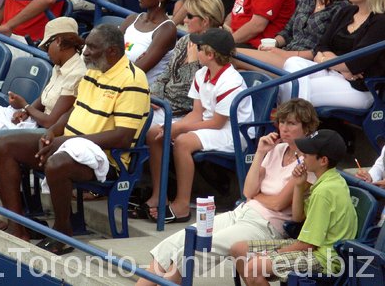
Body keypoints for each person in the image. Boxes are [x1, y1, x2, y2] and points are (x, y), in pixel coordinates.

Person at [0, 24, 150, 251]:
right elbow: (72, 111)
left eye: (92, 48)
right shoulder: (94, 69)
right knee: (3, 145)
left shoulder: (133, 80)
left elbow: (123, 137)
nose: (85, 52)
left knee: (57, 164)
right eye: (86, 45)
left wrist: (64, 142)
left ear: (113, 52)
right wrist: (53, 132)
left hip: (107, 159)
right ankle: (19, 227)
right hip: (69, 143)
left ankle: (62, 232)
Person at [137, 99, 320, 285]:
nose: (284, 128)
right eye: (282, 122)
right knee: (176, 241)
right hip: (240, 213)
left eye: (292, 123)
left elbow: (278, 203)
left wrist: (256, 197)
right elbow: (248, 191)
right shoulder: (276, 149)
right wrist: (260, 153)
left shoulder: (308, 163)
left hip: (266, 226)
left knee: (198, 249)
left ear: (306, 128)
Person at [146, 28, 253, 223]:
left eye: (200, 48)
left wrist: (179, 129)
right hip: (210, 124)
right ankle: (159, 196)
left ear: (210, 55)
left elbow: (217, 122)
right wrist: (172, 126)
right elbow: (197, 113)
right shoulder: (202, 73)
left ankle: (182, 205)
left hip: (233, 133)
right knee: (155, 132)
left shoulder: (231, 81)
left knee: (183, 142)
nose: (196, 51)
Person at [0, 17, 86, 177]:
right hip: (36, 122)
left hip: (50, 133)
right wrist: (26, 112)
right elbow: (44, 97)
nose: (46, 52)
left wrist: (25, 106)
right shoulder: (59, 64)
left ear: (59, 42)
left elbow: (51, 122)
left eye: (47, 46)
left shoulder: (77, 73)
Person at [232, 130, 357, 284]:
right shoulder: (329, 180)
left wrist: (272, 253)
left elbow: (307, 244)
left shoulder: (325, 191)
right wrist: (298, 185)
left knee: (254, 268)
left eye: (308, 152)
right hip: (313, 249)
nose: (303, 155)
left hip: (325, 259)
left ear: (323, 160)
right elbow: (298, 218)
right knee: (239, 249)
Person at [280, 0, 385, 110]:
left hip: (359, 87)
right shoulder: (347, 11)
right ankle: (296, 123)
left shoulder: (380, 21)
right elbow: (321, 46)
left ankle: (295, 126)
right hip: (335, 71)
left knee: (293, 88)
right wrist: (335, 65)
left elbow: (356, 63)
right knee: (293, 62)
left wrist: (327, 61)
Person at [120, 0, 180, 83]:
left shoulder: (166, 30)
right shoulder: (131, 19)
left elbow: (138, 70)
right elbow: (106, 48)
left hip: (139, 90)